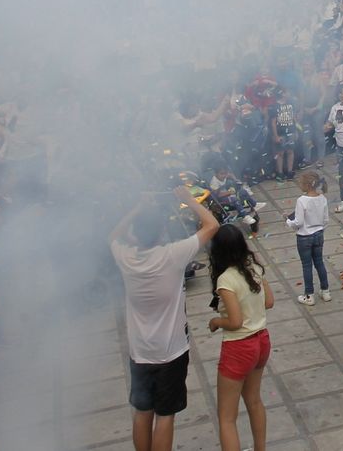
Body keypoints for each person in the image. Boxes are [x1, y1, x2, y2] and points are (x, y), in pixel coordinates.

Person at [110, 186, 220, 451]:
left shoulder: (126, 257)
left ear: (136, 234)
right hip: (171, 351)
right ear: (161, 232)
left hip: (140, 351)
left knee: (142, 411)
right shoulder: (172, 255)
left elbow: (113, 235)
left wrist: (137, 208)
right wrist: (188, 200)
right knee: (165, 415)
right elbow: (212, 225)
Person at [207, 223, 272, 451]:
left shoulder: (226, 280)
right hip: (261, 341)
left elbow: (235, 322)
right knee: (254, 400)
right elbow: (269, 301)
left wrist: (216, 322)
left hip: (239, 348)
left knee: (226, 417)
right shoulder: (254, 268)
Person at [285, 170, 331, 305]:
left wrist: (288, 222)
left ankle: (309, 295)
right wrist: (319, 229)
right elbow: (326, 220)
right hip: (319, 234)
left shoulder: (302, 200)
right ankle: (325, 291)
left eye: (301, 183)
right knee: (319, 262)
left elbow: (298, 222)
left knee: (307, 266)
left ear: (307, 185)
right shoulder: (322, 198)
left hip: (304, 237)